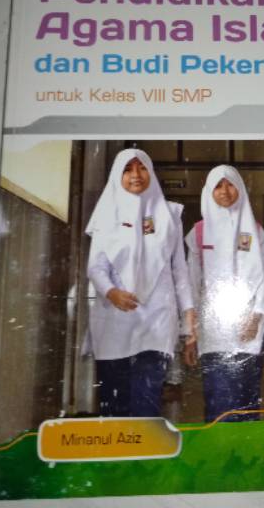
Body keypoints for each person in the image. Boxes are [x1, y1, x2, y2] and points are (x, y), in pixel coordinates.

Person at [84, 148, 196, 417]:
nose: (136, 174)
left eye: (142, 167)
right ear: (117, 175)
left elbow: (179, 270)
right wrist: (112, 292)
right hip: (114, 319)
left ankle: (146, 445)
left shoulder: (170, 214)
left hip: (157, 320)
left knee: (147, 402)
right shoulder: (106, 213)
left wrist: (189, 317)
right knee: (114, 404)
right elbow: (96, 267)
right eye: (127, 169)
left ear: (151, 172)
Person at [184, 165, 264, 422]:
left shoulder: (256, 231)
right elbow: (191, 284)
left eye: (230, 184)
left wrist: (256, 317)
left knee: (247, 399)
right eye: (218, 186)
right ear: (209, 191)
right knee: (219, 400)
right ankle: (220, 446)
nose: (224, 191)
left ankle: (246, 447)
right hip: (213, 332)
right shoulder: (198, 232)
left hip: (249, 330)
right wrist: (190, 334)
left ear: (240, 188)